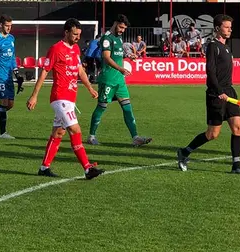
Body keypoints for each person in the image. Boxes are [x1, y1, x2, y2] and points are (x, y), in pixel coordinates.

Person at [27, 18, 104, 179]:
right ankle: (88, 168)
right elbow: (44, 72)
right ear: (66, 32)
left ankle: (44, 167)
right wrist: (34, 96)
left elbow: (80, 71)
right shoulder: (56, 49)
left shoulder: (75, 49)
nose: (77, 37)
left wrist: (90, 88)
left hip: (70, 98)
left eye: (79, 34)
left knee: (58, 133)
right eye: (75, 34)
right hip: (60, 97)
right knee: (75, 130)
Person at [176, 15, 240, 175]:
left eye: (230, 27)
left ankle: (236, 165)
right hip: (216, 94)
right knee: (212, 134)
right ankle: (184, 152)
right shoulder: (213, 46)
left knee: (237, 127)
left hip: (230, 91)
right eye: (227, 27)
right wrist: (219, 92)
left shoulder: (226, 47)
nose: (230, 29)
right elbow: (210, 72)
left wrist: (226, 92)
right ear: (217, 28)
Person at [88, 14, 151, 147]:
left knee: (127, 108)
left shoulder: (118, 38)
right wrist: (120, 68)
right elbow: (106, 57)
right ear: (115, 23)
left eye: (124, 28)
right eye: (121, 27)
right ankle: (91, 135)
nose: (122, 30)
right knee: (102, 107)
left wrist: (129, 55)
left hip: (119, 81)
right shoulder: (106, 38)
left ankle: (135, 137)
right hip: (108, 79)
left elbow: (118, 54)